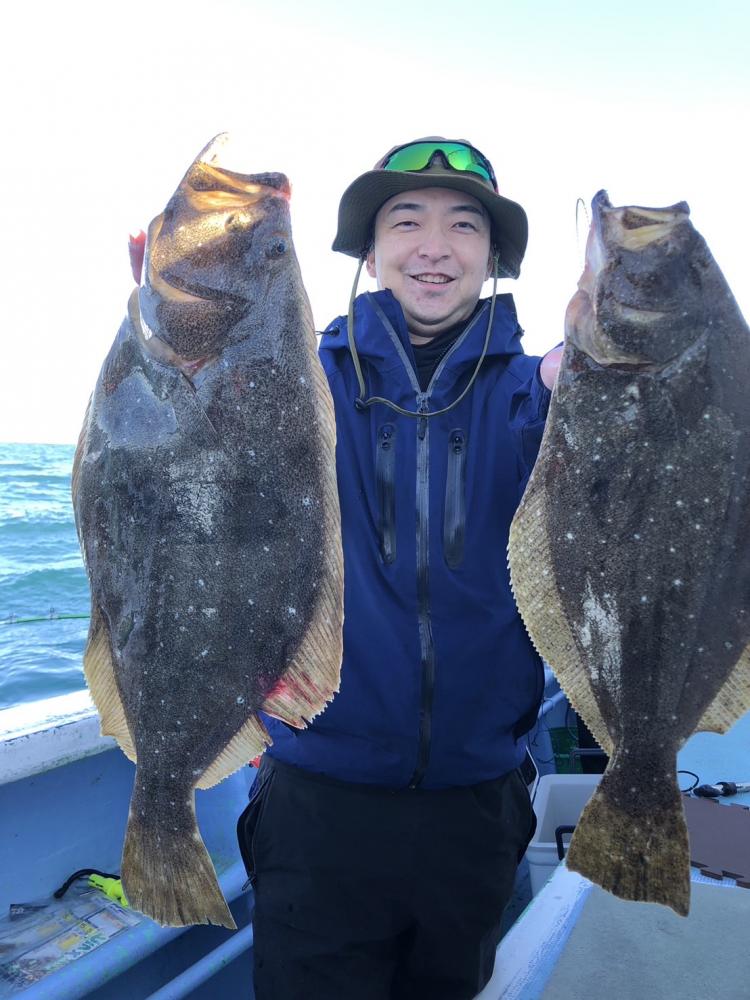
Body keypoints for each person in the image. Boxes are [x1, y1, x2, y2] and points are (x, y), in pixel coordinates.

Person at [130, 137, 562, 1000]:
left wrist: (580, 387)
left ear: (494, 257)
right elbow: (178, 455)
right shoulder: (296, 376)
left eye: (463, 225)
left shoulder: (539, 394)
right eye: (406, 222)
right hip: (317, 803)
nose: (434, 246)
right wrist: (182, 338)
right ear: (370, 252)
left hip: (477, 803)